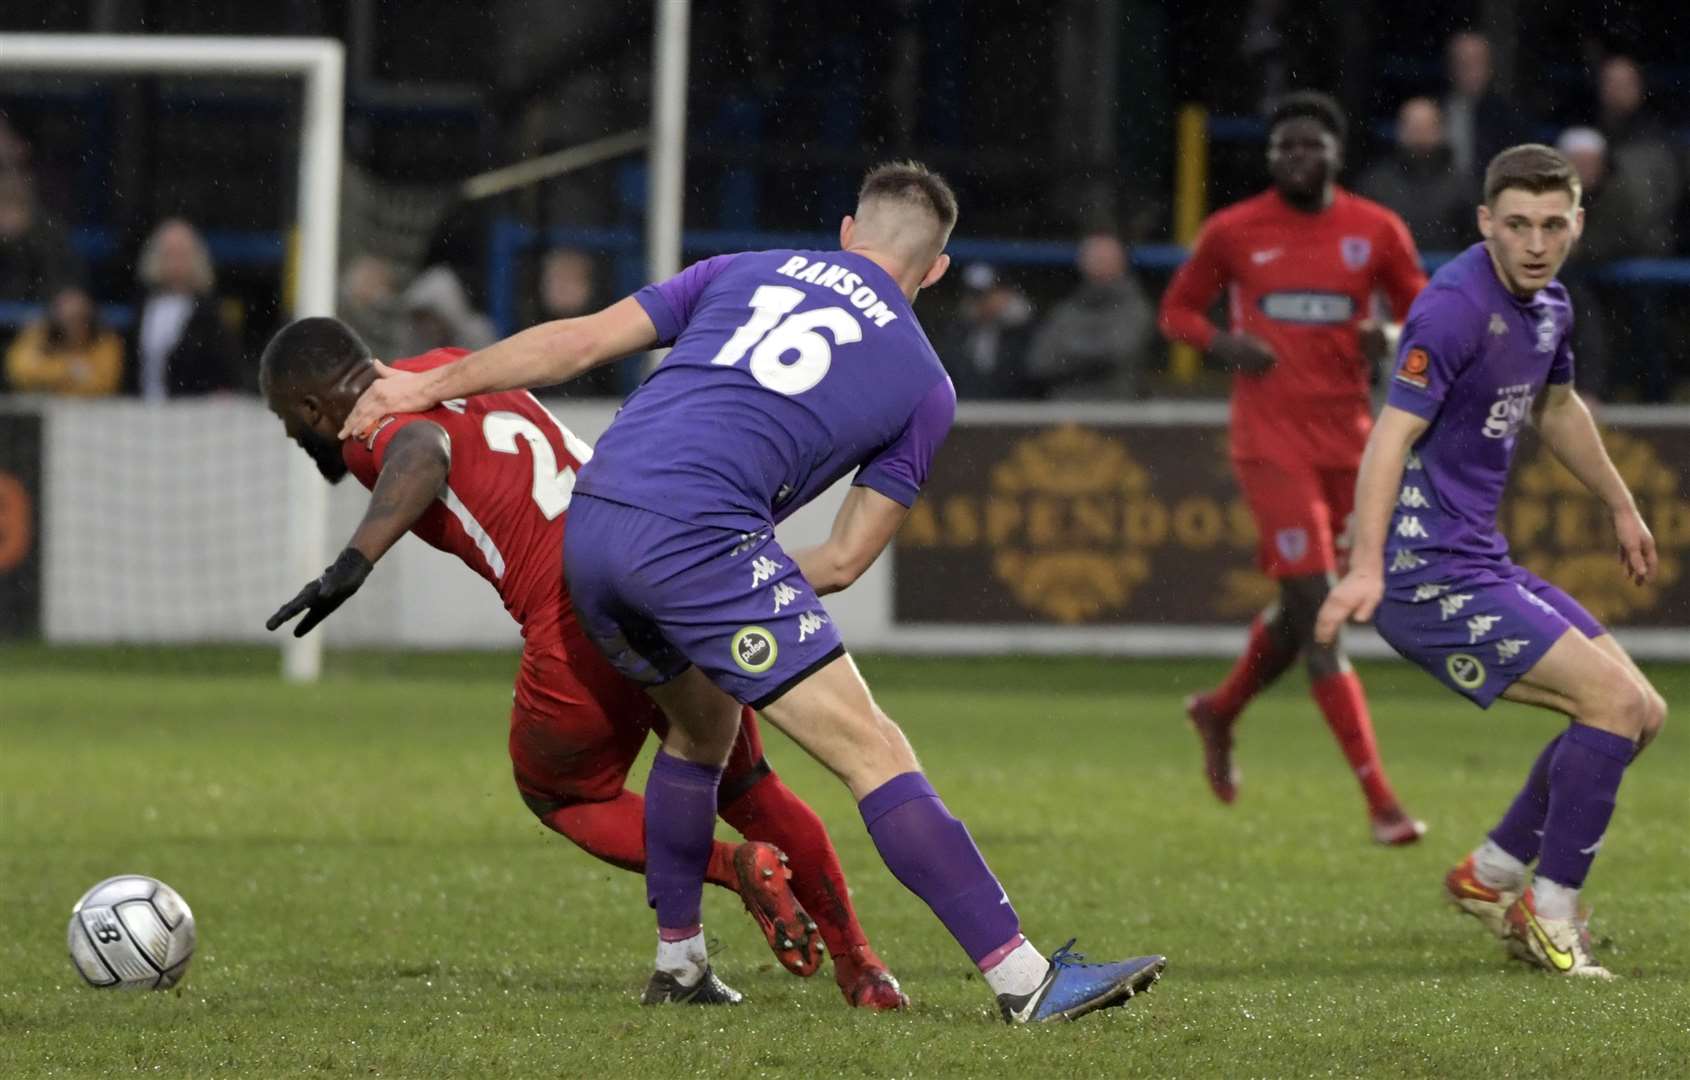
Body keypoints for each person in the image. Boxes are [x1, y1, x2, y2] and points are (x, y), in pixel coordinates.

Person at [340, 161, 1167, 1023]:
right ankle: (1026, 982)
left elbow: (579, 342)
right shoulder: (926, 383)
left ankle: (680, 965)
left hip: (593, 523)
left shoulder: (740, 268)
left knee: (702, 732)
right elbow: (845, 560)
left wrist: (423, 386)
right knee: (874, 751)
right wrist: (729, 575)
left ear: (849, 231)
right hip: (697, 538)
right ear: (936, 271)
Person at [258, 317, 907, 1011]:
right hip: (658, 561)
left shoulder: (367, 432)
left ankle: (733, 866)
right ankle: (862, 969)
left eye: (290, 425)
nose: (298, 441)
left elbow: (422, 449)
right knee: (743, 783)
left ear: (310, 408)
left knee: (562, 792)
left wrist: (352, 565)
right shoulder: (444, 364)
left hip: (577, 606)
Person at [1316, 144, 1667, 979]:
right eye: (1517, 225)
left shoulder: (1549, 307)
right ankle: (1548, 920)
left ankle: (1493, 874)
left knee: (1640, 712)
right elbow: (1386, 443)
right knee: (1613, 704)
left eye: (1552, 225)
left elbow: (1556, 405)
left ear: (1577, 224)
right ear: (1485, 223)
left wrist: (1620, 504)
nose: (1536, 243)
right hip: (1424, 574)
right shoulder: (1452, 310)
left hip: (1477, 559)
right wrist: (1367, 568)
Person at [1158, 91, 1429, 845]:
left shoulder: (1376, 230)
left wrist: (1393, 332)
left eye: (1311, 146)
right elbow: (1177, 312)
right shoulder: (1234, 231)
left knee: (1300, 612)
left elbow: (1431, 319)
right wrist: (1221, 344)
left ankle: (1219, 710)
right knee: (1320, 612)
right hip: (1269, 445)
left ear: (1336, 155)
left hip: (1352, 446)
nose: (1298, 159)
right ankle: (1381, 800)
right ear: (1270, 157)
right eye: (1284, 148)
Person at [1026, 232, 1154, 400]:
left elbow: (1116, 351)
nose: (1099, 264)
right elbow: (1039, 361)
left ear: (1122, 262)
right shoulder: (1067, 307)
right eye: (1094, 258)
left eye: (1105, 258)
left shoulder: (1136, 308)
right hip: (1063, 413)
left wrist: (1067, 351)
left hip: (1118, 413)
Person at [125, 218, 241, 400]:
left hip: (190, 412)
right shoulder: (143, 306)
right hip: (144, 408)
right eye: (169, 254)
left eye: (183, 254)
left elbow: (225, 372)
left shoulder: (210, 312)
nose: (176, 262)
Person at [1356, 98, 1472, 252]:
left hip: (1448, 271)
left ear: (1440, 131)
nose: (1420, 134)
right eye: (1413, 126)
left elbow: (1473, 242)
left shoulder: (1462, 184)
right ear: (1399, 130)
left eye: (1427, 126)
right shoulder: (1375, 183)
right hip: (1390, 271)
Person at [934, 261, 1034, 400]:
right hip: (969, 411)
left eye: (987, 294)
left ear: (1004, 293)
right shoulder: (957, 331)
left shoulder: (1025, 330)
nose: (981, 303)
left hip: (1017, 411)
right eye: (974, 296)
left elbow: (1032, 372)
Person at [1443, 31, 1533, 179]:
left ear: (1490, 67)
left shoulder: (1509, 115)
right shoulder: (1437, 110)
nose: (1469, 70)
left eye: (1476, 62)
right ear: (1451, 67)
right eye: (1462, 63)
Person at [4, 285, 123, 395]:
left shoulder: (104, 340)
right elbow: (19, 372)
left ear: (90, 317)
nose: (74, 326)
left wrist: (50, 376)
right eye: (68, 319)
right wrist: (68, 370)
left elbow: (105, 384)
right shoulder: (38, 334)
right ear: (56, 318)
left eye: (81, 318)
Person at [398, 265, 498, 357]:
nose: (427, 327)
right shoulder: (416, 341)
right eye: (421, 319)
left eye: (432, 319)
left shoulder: (477, 335)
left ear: (447, 314)